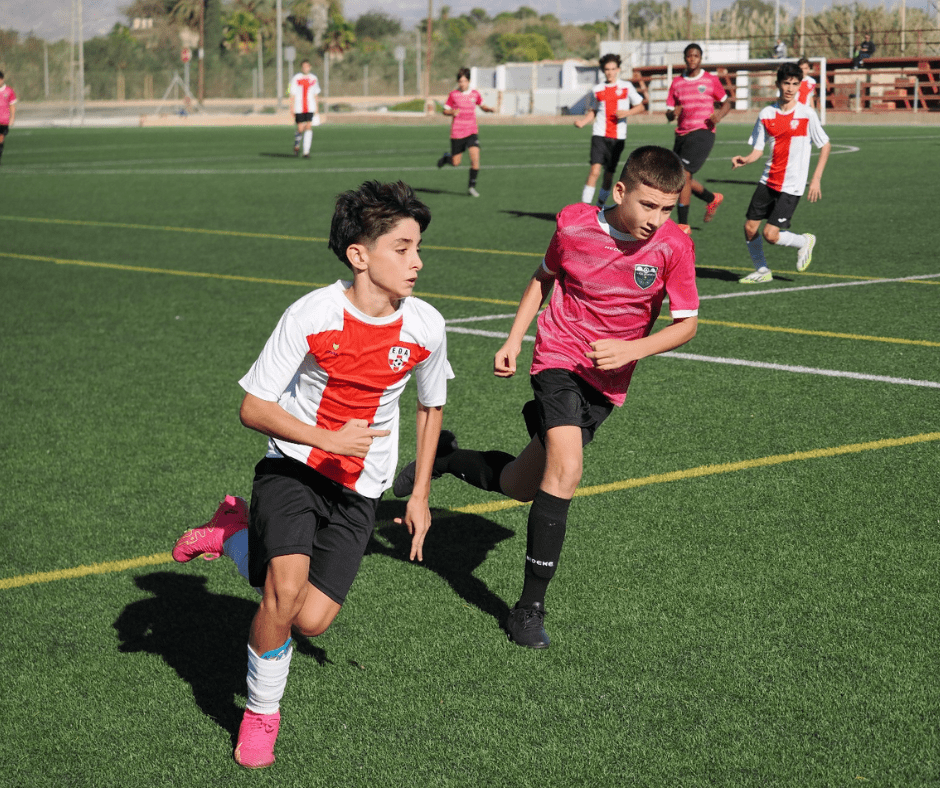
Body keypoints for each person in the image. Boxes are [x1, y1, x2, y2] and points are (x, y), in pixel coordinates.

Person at [170, 181, 452, 768]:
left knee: (313, 621)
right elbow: (253, 406)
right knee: (284, 589)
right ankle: (261, 714)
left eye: (418, 247)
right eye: (402, 248)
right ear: (359, 255)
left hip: (361, 489)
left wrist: (420, 491)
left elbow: (431, 408)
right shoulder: (312, 313)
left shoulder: (425, 326)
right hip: (293, 469)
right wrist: (325, 438)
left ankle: (233, 534)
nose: (417, 262)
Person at [393, 146, 699, 650]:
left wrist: (632, 348)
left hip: (607, 382)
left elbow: (686, 324)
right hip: (559, 357)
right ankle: (528, 609)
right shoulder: (575, 225)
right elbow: (543, 278)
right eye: (648, 205)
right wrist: (515, 337)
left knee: (520, 484)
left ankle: (446, 458)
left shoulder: (673, 247)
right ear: (620, 191)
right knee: (568, 469)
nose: (656, 220)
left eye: (667, 209)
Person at [732, 62, 831, 284]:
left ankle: (803, 241)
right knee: (749, 227)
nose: (790, 88)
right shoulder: (767, 113)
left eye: (795, 84)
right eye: (786, 83)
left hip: (792, 185)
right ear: (778, 84)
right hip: (768, 180)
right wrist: (746, 159)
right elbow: (758, 149)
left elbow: (825, 145)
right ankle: (762, 270)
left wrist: (815, 179)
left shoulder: (806, 114)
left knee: (770, 234)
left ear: (799, 86)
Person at [665, 43, 731, 230]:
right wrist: (673, 114)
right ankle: (712, 198)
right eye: (689, 56)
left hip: (703, 132)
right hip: (682, 134)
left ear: (701, 58)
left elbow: (726, 103)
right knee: (678, 176)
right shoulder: (677, 83)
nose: (692, 59)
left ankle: (683, 225)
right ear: (685, 58)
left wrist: (719, 115)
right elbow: (669, 112)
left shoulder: (710, 80)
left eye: (696, 56)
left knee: (684, 174)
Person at [574, 54, 646, 210]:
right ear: (603, 70)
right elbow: (593, 110)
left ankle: (599, 207)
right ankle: (584, 209)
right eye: (607, 69)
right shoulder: (597, 89)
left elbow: (641, 106)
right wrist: (583, 122)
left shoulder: (626, 87)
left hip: (618, 137)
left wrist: (626, 113)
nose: (610, 72)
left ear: (618, 69)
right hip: (599, 134)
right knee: (595, 171)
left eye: (613, 69)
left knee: (609, 175)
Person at [435, 67, 495, 197]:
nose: (462, 84)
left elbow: (482, 105)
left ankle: (471, 187)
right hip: (457, 132)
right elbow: (445, 110)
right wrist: (452, 112)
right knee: (456, 162)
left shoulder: (475, 94)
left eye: (464, 81)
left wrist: (488, 109)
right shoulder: (453, 95)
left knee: (475, 159)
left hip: (472, 130)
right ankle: (447, 158)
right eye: (460, 81)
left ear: (469, 81)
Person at [289, 59, 321, 158]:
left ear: (310, 67)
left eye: (307, 66)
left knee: (308, 127)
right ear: (301, 67)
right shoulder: (296, 78)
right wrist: (291, 107)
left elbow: (316, 93)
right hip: (299, 107)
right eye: (303, 66)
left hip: (310, 107)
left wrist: (317, 107)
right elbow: (291, 93)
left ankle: (306, 152)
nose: (305, 68)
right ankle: (297, 144)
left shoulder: (314, 78)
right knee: (300, 128)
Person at [0, 71, 16, 166]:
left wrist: (12, 118)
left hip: (4, 120)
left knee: (1, 139)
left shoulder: (9, 91)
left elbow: (12, 105)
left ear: (2, 79)